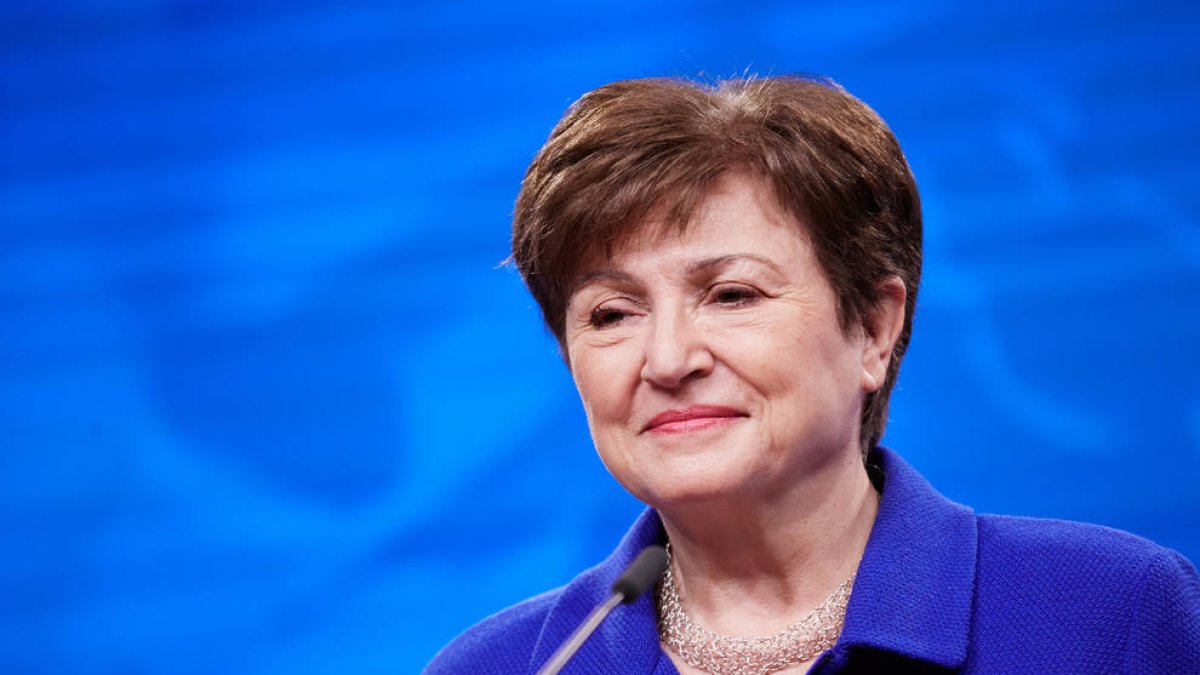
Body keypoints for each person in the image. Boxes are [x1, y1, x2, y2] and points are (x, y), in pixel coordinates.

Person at [425, 75, 1199, 674]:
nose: (666, 360)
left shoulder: (1111, 615)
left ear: (872, 327)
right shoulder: (507, 664)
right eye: (611, 314)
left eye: (731, 295)